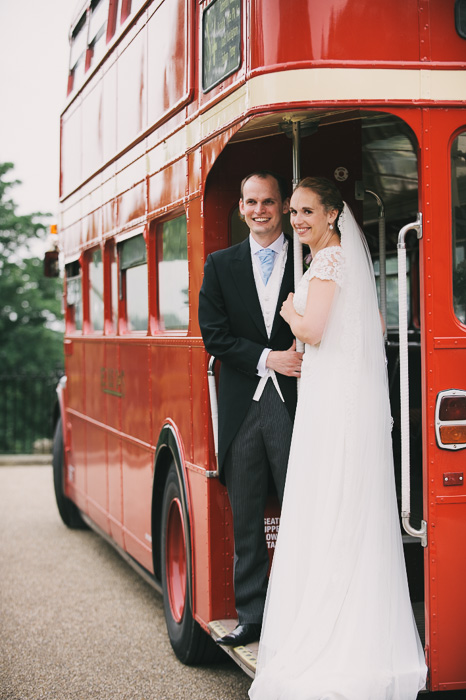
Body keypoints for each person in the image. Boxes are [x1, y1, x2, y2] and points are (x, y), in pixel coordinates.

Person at [249, 177, 427, 699]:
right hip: (344, 393)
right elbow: (370, 324)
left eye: (307, 211)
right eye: (295, 211)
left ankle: (329, 636)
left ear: (332, 215)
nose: (297, 219)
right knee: (347, 504)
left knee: (328, 503)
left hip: (331, 399)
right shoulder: (348, 260)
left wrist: (289, 312)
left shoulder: (326, 262)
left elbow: (315, 331)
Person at [198, 171, 303, 647]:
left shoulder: (306, 259)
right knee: (246, 519)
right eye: (251, 202)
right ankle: (252, 617)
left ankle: (302, 613)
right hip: (242, 406)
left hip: (296, 406)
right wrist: (267, 358)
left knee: (303, 511)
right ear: (241, 208)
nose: (260, 210)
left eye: (268, 202)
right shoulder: (220, 264)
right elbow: (213, 336)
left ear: (282, 206)